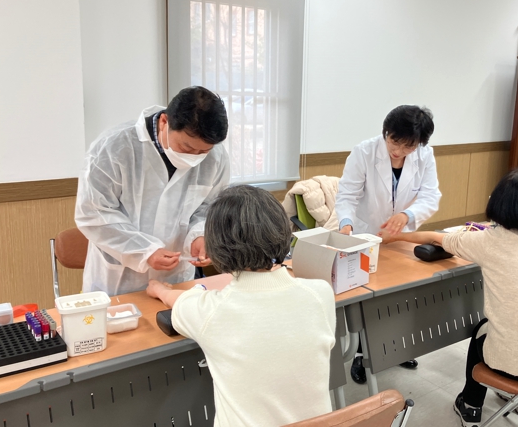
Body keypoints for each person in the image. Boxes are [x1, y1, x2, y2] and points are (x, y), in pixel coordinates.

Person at [379, 167, 518, 427]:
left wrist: (395, 237)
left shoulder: (490, 241)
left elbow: (435, 238)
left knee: (481, 331)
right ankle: (517, 399)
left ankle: (471, 405)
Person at [146, 185, 336, 427]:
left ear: (217, 248)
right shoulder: (320, 293)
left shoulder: (212, 311)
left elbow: (178, 300)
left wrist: (158, 289)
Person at [76, 86, 230, 296]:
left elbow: (209, 207)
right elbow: (93, 213)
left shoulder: (216, 157)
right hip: (120, 281)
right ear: (165, 122)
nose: (194, 156)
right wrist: (144, 250)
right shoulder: (114, 147)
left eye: (203, 151)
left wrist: (200, 235)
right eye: (187, 148)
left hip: (176, 280)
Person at [335, 105, 441, 383]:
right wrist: (346, 224)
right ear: (386, 133)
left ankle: (397, 348)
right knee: (367, 298)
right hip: (365, 234)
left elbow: (430, 197)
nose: (399, 151)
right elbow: (347, 195)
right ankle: (361, 354)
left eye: (409, 146)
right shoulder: (364, 152)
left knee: (401, 294)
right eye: (395, 142)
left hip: (401, 235)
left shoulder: (425, 155)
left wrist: (407, 215)